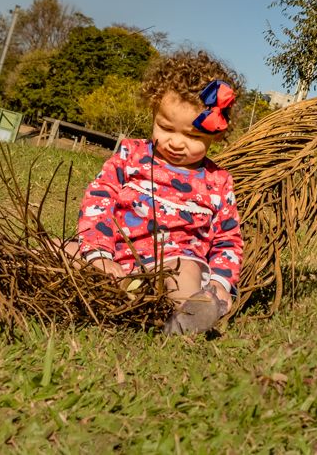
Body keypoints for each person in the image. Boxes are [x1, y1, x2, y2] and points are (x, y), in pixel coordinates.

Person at [63, 50, 244, 334]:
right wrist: (98, 254)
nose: (176, 142)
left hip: (170, 265)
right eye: (165, 127)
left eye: (193, 136)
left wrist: (221, 285)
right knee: (63, 250)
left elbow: (227, 240)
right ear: (153, 112)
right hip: (112, 257)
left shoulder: (218, 181)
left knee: (187, 272)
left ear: (216, 135)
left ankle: (190, 318)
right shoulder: (130, 155)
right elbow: (99, 202)